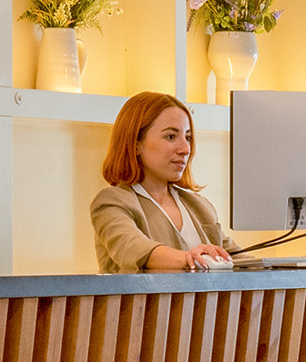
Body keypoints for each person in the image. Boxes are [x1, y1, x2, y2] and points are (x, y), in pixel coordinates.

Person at [90, 92, 234, 272]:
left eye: (187, 137)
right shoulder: (111, 202)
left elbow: (240, 261)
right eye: (171, 137)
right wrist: (190, 257)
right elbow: (134, 249)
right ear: (136, 144)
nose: (185, 149)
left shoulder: (200, 207)